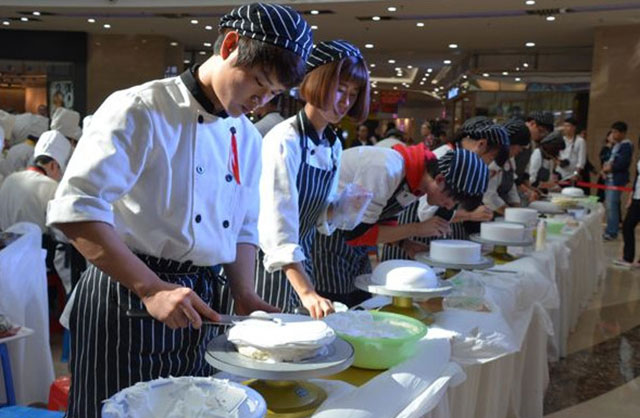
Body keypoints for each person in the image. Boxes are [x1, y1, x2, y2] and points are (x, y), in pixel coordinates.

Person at [45, 4, 312, 417]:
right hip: (126, 296)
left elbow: (242, 226)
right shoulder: (140, 108)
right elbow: (76, 210)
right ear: (229, 45)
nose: (261, 102)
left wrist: (244, 293)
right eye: (258, 84)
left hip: (200, 303)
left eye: (274, 94)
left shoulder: (246, 135)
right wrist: (151, 288)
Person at [251, 40, 369, 319]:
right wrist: (306, 291)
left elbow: (318, 219)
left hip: (303, 264)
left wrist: (341, 207)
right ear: (315, 83)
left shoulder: (333, 145)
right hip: (269, 267)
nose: (345, 102)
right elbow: (275, 221)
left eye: (352, 94)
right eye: (339, 89)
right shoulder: (284, 139)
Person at [312, 145, 488, 306]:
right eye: (452, 201)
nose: (449, 207)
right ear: (440, 179)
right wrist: (417, 228)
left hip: (354, 246)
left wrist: (404, 244)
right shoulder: (385, 169)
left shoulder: (416, 181)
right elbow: (355, 233)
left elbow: (384, 220)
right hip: (327, 241)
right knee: (336, 308)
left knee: (360, 304)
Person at [0, 130, 71, 232]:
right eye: (60, 170)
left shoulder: (10, 179)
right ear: (53, 165)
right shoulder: (53, 188)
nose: (59, 175)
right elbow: (59, 234)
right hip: (34, 246)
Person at [483, 118, 531, 215]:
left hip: (503, 212)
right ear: (510, 143)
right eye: (520, 147)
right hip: (488, 212)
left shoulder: (510, 159)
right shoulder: (493, 160)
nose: (520, 151)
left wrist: (517, 208)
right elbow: (488, 196)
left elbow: (511, 188)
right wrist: (510, 214)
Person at [602, 121, 633, 240]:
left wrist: (610, 168)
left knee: (612, 205)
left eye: (615, 132)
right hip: (609, 178)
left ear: (623, 133)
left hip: (616, 180)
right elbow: (606, 157)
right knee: (610, 205)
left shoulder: (626, 145)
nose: (613, 134)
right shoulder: (615, 145)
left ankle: (612, 231)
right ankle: (610, 228)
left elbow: (623, 163)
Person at [615, 148, 640, 268]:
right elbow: (637, 178)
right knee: (627, 225)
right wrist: (631, 195)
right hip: (637, 197)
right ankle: (628, 257)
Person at [514, 111, 554, 178]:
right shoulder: (515, 135)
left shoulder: (531, 143)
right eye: (541, 131)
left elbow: (526, 169)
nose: (541, 135)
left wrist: (528, 185)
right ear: (532, 124)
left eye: (545, 134)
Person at [557, 117, 587, 182]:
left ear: (574, 127)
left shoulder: (580, 141)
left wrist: (576, 174)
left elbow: (581, 161)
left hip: (572, 175)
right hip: (559, 172)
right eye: (564, 126)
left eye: (568, 126)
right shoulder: (560, 140)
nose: (565, 128)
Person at [597, 131, 614, 202]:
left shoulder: (616, 149)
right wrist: (602, 171)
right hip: (603, 173)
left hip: (612, 176)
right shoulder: (605, 149)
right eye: (611, 136)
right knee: (599, 196)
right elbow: (603, 161)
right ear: (607, 137)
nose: (613, 137)